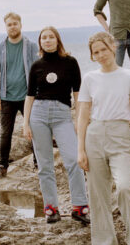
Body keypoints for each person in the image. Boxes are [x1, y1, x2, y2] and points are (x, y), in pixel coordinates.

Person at [77, 31, 130, 245]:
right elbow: (83, 115)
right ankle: (105, 241)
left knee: (125, 187)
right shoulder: (89, 79)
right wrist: (80, 149)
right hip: (94, 136)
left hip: (120, 136)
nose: (100, 55)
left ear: (113, 47)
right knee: (98, 197)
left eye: (103, 49)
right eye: (95, 52)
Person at [22, 26, 89, 225]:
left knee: (73, 160)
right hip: (38, 115)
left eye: (51, 37)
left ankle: (79, 207)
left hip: (62, 115)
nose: (48, 40)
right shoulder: (36, 66)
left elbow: (78, 94)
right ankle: (51, 209)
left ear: (57, 40)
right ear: (40, 42)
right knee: (44, 165)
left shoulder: (70, 62)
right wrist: (25, 123)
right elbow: (29, 96)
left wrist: (78, 119)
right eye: (44, 38)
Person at [0, 12, 39, 179]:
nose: (12, 27)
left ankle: (38, 163)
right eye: (9, 24)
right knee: (5, 133)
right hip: (6, 97)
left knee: (35, 131)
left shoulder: (31, 46)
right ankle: (2, 166)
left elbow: (37, 70)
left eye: (15, 23)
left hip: (28, 97)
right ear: (6, 27)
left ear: (20, 25)